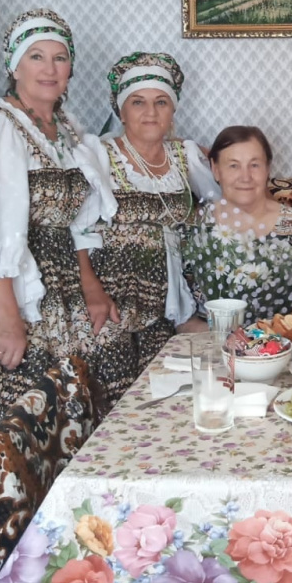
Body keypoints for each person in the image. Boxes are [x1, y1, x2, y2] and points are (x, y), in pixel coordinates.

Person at [0, 9, 120, 407]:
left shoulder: (67, 126)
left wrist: (91, 286)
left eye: (60, 58)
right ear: (14, 66)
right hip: (26, 287)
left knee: (85, 399)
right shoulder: (0, 125)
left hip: (67, 282)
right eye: (36, 56)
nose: (50, 69)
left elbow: (78, 221)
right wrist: (7, 318)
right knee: (40, 407)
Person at [88, 52, 216, 401]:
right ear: (121, 111)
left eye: (161, 102)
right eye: (138, 102)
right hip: (115, 300)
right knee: (116, 401)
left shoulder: (186, 156)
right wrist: (93, 292)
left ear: (172, 109)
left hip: (171, 305)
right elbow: (78, 232)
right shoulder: (100, 154)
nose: (150, 112)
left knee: (167, 400)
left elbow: (220, 210)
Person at [184, 126, 292, 327]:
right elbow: (182, 315)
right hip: (213, 339)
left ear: (267, 169)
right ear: (215, 170)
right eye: (233, 166)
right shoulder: (196, 228)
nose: (245, 177)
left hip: (284, 341)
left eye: (254, 165)